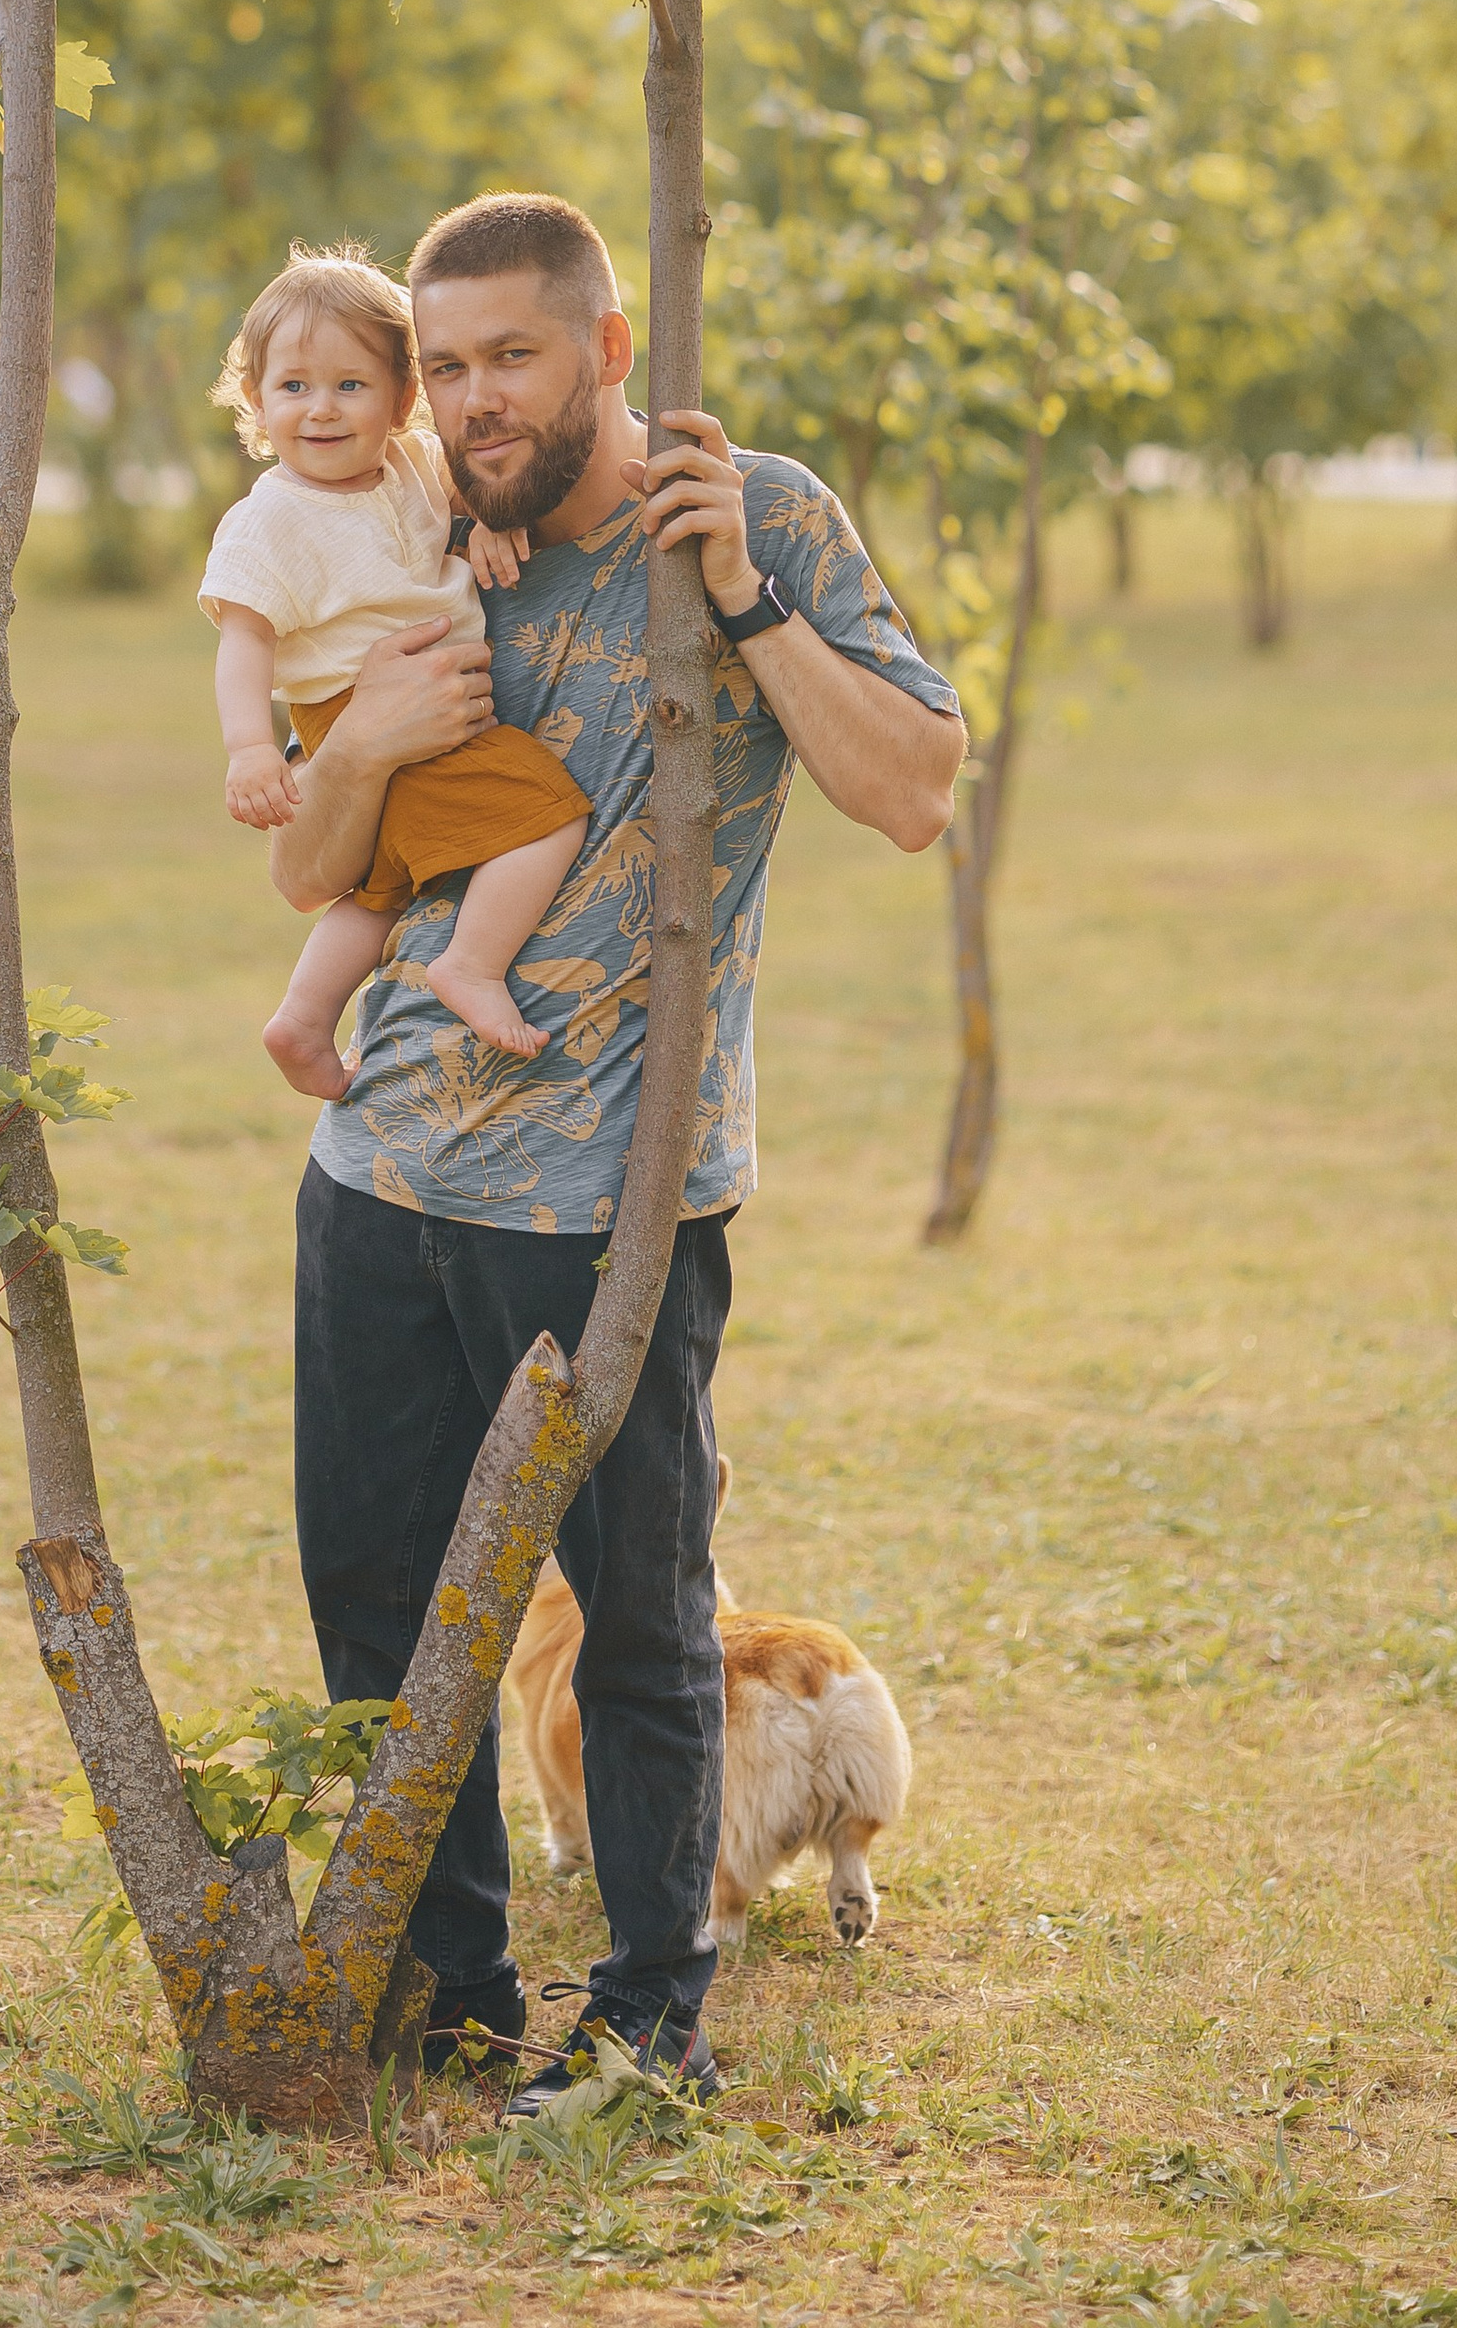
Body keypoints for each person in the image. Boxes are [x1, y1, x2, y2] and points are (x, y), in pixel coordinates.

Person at [269, 191, 967, 2109]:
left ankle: (656, 2006)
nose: (476, 397)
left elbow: (913, 788)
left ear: (605, 348)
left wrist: (743, 595)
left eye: (513, 356)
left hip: (610, 1200)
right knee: (384, 1609)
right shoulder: (419, 538)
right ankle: (450, 1990)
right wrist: (358, 744)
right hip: (375, 1180)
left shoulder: (758, 515)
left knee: (639, 1607)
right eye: (449, 361)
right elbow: (310, 869)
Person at [199, 247, 592, 1085]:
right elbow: (244, 640)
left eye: (351, 384)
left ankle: (303, 1020)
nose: (322, 409)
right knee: (552, 812)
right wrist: (250, 750)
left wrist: (483, 524)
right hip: (356, 710)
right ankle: (473, 964)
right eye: (293, 386)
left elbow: (463, 501)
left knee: (381, 890)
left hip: (425, 704)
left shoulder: (410, 468)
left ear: (402, 398)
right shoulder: (269, 520)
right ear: (256, 402)